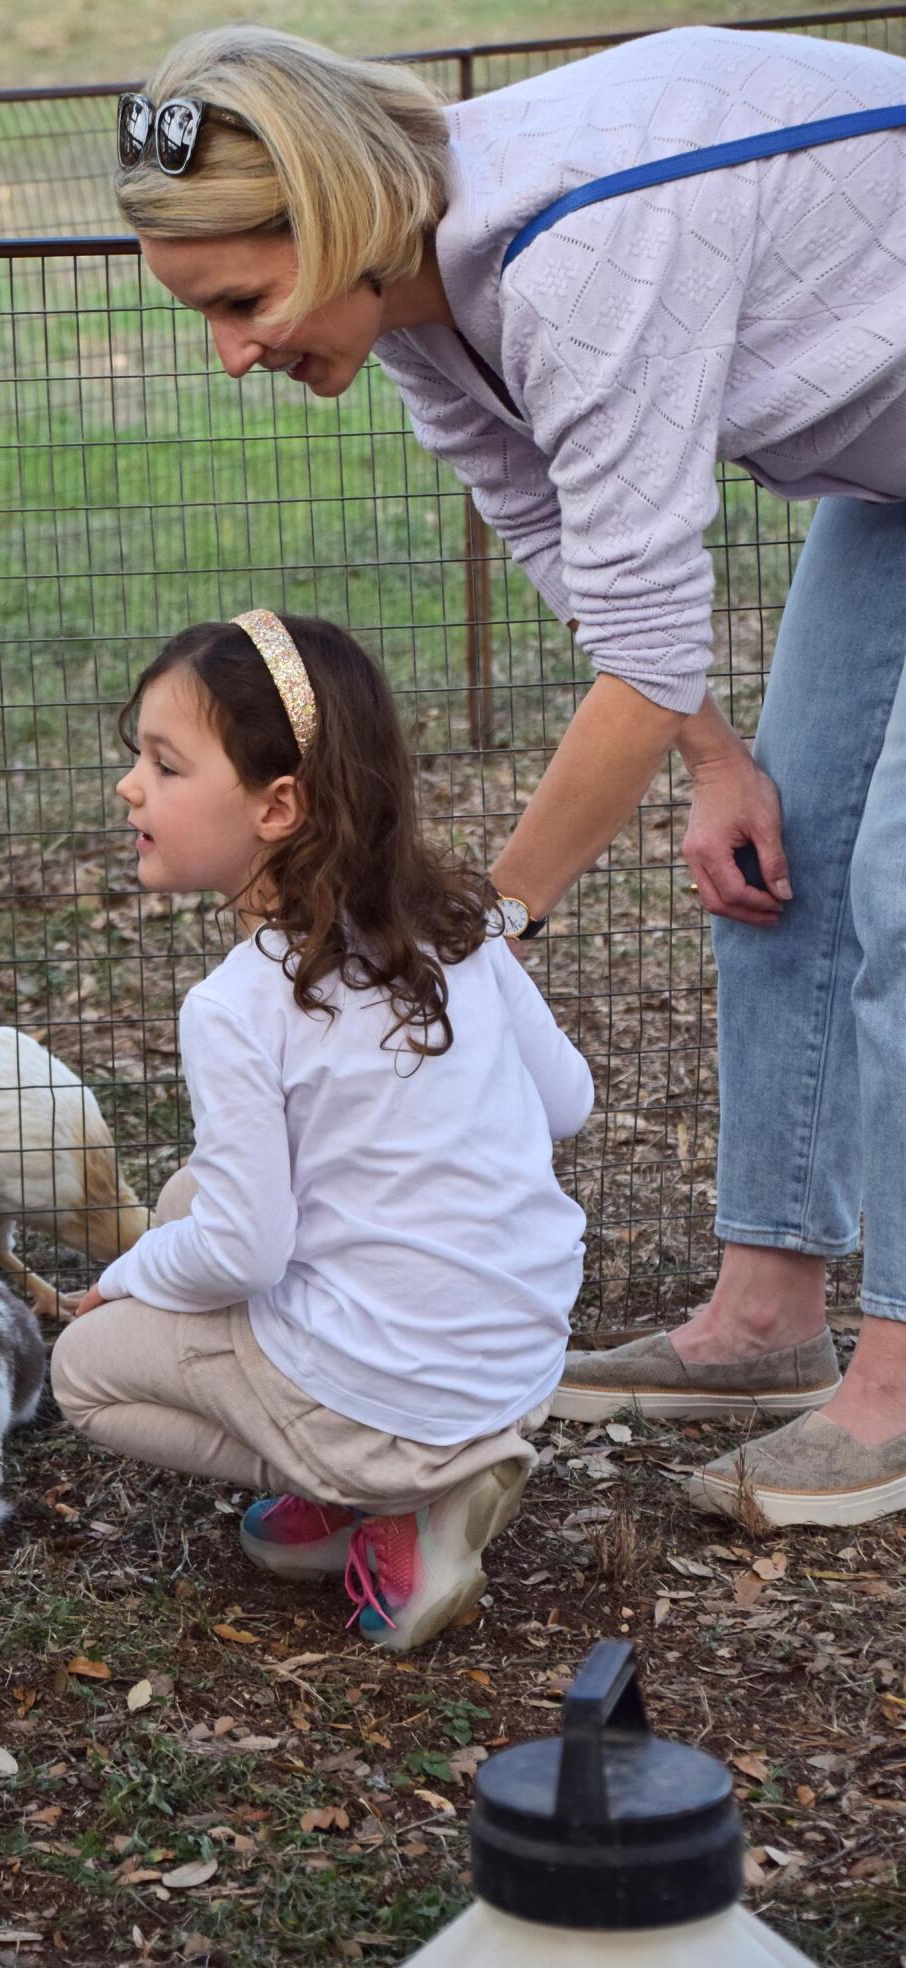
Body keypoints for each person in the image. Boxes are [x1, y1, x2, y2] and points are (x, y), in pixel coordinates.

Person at [111, 23, 906, 1529]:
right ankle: (764, 1316)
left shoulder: (578, 251)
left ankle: (899, 1392)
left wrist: (485, 924)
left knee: (900, 895)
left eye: (241, 300)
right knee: (787, 857)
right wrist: (717, 762)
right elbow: (565, 547)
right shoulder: (425, 306)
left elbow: (649, 639)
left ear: (338, 218)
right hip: (889, 472)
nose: (232, 354)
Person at [50, 611, 593, 1649]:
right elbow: (566, 1102)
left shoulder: (234, 1005)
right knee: (182, 1203)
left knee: (85, 1364)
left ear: (279, 803)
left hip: (399, 1383)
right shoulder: (455, 928)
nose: (130, 786)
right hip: (517, 1356)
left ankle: (390, 1494)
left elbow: (246, 1250)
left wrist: (126, 1277)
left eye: (164, 765)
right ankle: (404, 1460)